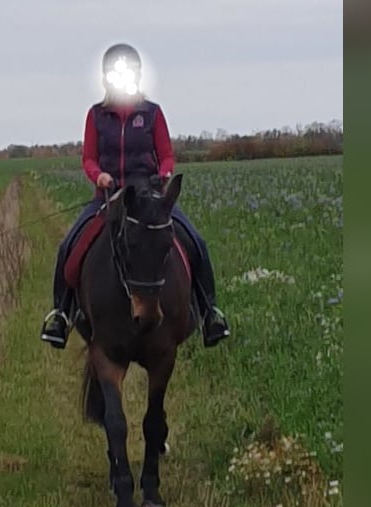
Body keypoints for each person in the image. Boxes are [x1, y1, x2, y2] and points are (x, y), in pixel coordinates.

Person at [40, 43, 230, 349]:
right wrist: (99, 176)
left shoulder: (152, 113)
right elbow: (88, 158)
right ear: (105, 79)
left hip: (149, 198)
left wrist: (165, 174)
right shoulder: (96, 115)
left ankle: (211, 313)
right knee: (68, 247)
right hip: (109, 196)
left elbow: (166, 154)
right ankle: (60, 314)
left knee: (196, 241)